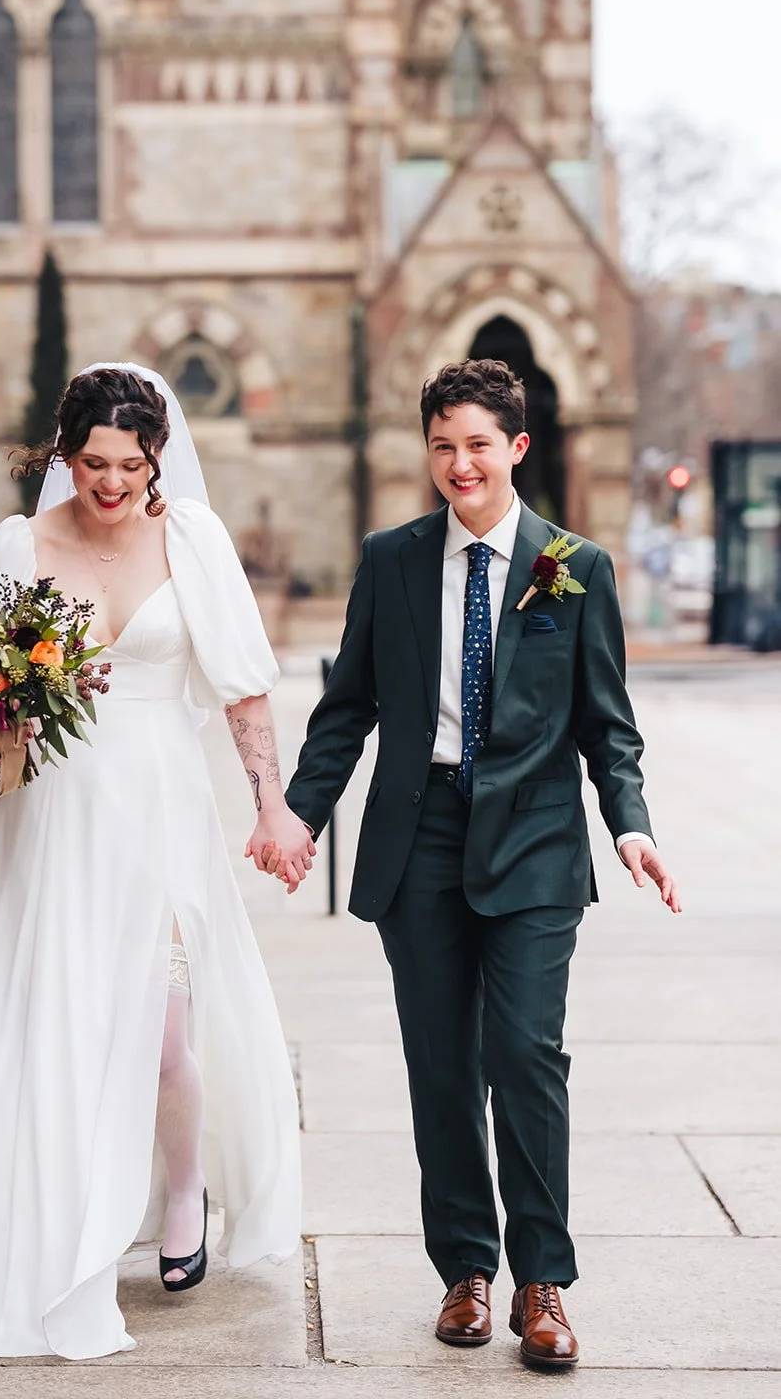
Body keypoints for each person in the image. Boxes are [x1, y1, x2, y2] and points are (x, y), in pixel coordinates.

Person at [0, 364, 311, 1360]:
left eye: (130, 466)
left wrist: (270, 805)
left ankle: (183, 1190)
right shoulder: (21, 543)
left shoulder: (192, 538)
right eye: (93, 463)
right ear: (65, 456)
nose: (111, 484)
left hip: (160, 809)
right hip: (48, 812)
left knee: (168, 1029)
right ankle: (15, 1218)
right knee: (30, 1019)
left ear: (155, 460)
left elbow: (240, 687)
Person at [258, 358, 680, 1372]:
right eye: (442, 444)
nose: (458, 464)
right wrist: (298, 812)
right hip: (422, 838)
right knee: (440, 1062)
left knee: (524, 1056)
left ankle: (542, 1281)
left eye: (477, 444)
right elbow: (347, 707)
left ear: (516, 448)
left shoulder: (573, 566)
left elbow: (605, 723)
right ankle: (465, 1270)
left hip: (534, 837)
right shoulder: (392, 560)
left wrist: (628, 823)